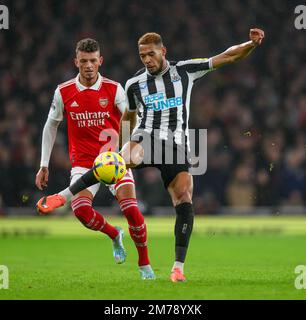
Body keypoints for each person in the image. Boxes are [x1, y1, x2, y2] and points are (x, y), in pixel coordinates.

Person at [37, 29, 265, 282]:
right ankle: (62, 196)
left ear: (163, 51)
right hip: (145, 138)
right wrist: (122, 145)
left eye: (151, 54)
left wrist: (251, 44)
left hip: (176, 146)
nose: (147, 60)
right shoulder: (134, 84)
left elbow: (227, 57)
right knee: (114, 162)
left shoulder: (185, 71)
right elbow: (129, 116)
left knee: (184, 199)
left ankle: (177, 267)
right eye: (142, 55)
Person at [35, 38, 155, 280]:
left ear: (100, 61)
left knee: (131, 209)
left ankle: (145, 265)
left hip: (114, 160)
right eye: (83, 61)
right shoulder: (64, 91)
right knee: (80, 212)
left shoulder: (114, 89)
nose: (88, 65)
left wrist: (128, 145)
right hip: (84, 164)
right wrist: (43, 164)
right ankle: (114, 234)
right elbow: (51, 126)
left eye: (92, 60)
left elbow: (134, 118)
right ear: (76, 62)